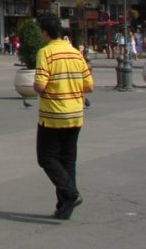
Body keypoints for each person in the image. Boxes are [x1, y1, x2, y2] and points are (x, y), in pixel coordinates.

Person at [32, 14, 95, 220]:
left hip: (54, 114)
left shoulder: (46, 52)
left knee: (46, 157)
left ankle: (71, 194)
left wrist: (38, 86)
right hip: (75, 115)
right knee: (68, 161)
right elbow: (89, 86)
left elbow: (40, 85)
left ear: (45, 32)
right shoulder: (76, 53)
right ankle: (64, 206)